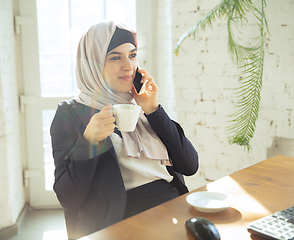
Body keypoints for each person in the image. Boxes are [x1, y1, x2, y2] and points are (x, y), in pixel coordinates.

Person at [50, 21, 199, 240]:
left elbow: (190, 165)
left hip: (172, 208)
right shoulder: (70, 114)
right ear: (93, 64)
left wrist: (154, 111)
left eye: (132, 55)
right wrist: (88, 142)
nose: (129, 66)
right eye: (115, 57)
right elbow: (68, 197)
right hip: (119, 218)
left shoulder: (142, 104)